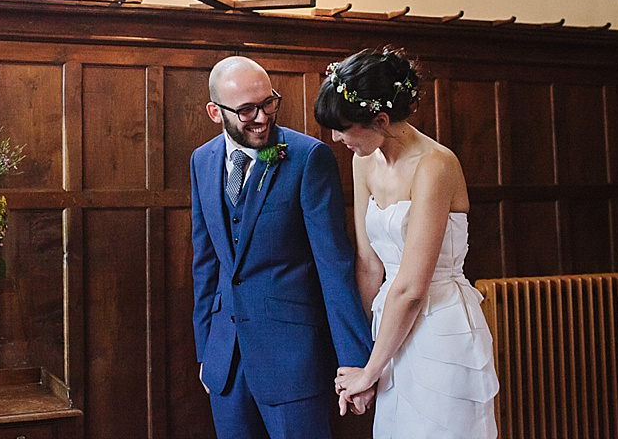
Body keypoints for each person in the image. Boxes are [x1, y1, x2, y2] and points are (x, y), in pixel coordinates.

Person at [315, 48, 499, 439]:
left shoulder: (436, 165)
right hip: (389, 328)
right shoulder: (363, 160)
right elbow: (368, 264)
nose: (336, 138)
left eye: (345, 127)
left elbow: (413, 287)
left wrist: (370, 371)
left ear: (380, 120)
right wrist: (362, 355)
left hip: (439, 325)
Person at [190, 55, 374, 439]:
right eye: (246, 110)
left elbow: (334, 265)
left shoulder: (308, 158)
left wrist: (356, 363)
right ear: (214, 111)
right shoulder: (201, 161)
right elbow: (205, 263)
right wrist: (207, 352)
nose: (261, 117)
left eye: (268, 103)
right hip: (225, 363)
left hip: (294, 361)